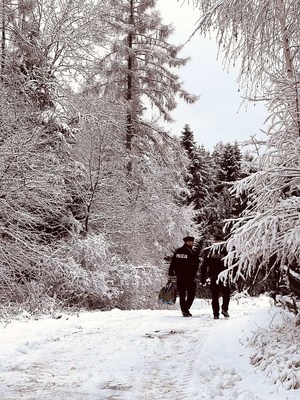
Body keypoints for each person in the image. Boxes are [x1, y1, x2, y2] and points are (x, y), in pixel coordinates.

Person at [168, 236, 199, 317]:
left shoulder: (178, 251)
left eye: (191, 242)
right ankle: (185, 309)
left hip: (181, 276)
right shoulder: (192, 252)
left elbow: (173, 263)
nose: (190, 243)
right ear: (186, 242)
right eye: (189, 242)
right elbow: (196, 265)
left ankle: (184, 309)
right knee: (190, 293)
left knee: (183, 294)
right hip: (189, 276)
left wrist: (171, 272)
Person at [200, 244, 231, 319]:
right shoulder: (226, 251)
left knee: (215, 296)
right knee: (226, 293)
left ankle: (216, 313)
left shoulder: (210, 252)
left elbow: (204, 266)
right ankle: (224, 309)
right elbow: (231, 264)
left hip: (213, 277)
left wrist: (203, 278)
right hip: (224, 276)